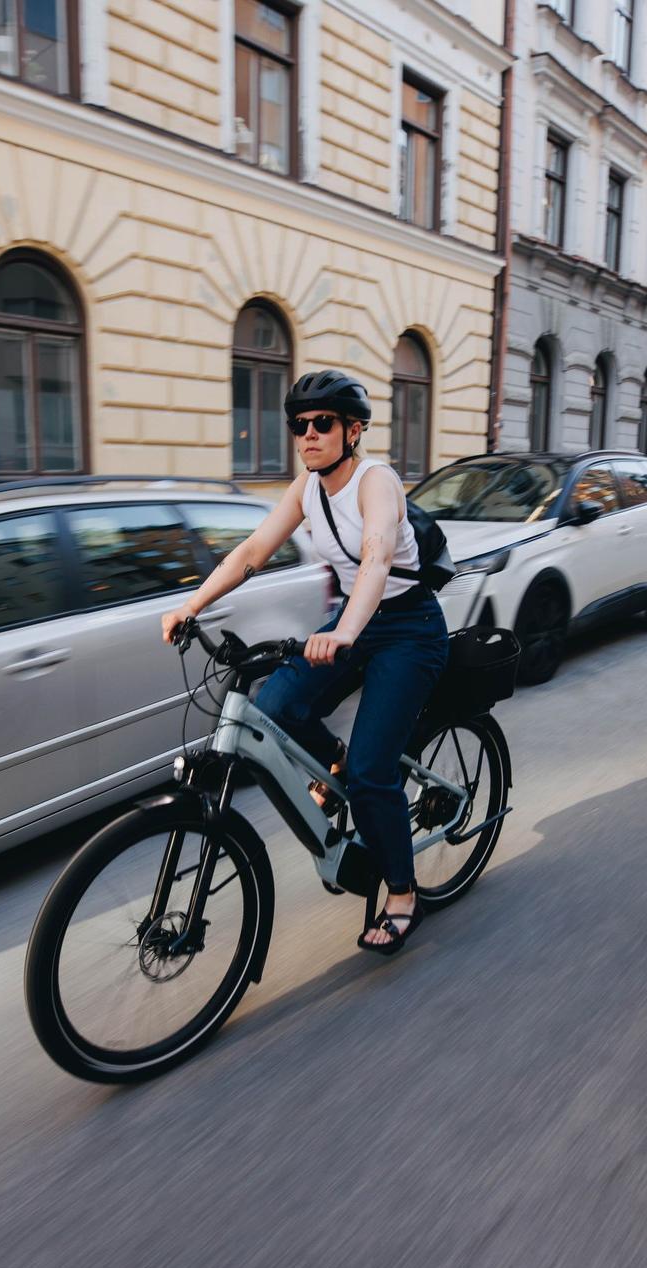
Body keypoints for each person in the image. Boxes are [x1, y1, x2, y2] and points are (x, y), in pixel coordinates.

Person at [161, 369, 449, 955]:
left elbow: (376, 558)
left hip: (407, 628)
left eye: (322, 423)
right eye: (299, 425)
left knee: (372, 771)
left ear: (353, 430)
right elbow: (252, 551)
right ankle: (335, 762)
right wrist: (191, 605)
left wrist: (343, 631)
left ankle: (402, 893)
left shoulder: (376, 481)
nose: (308, 435)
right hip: (354, 620)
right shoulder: (306, 488)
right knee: (273, 706)